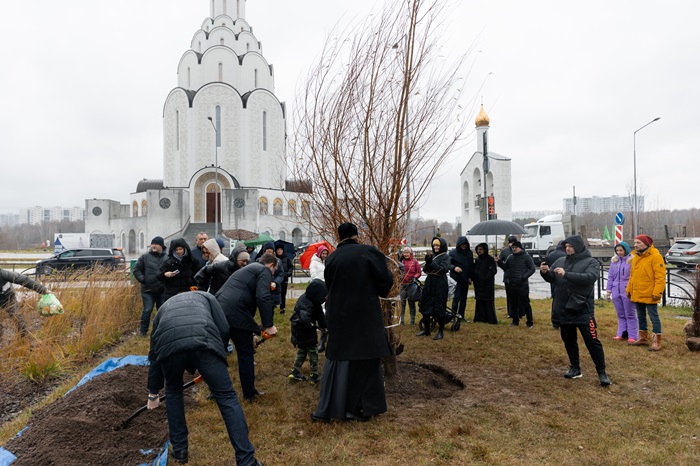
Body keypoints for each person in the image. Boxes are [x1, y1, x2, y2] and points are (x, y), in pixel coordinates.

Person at [146, 291, 263, 466]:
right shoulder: (207, 297)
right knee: (227, 397)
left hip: (170, 348)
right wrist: (217, 355)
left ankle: (180, 451)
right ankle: (246, 460)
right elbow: (223, 327)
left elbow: (154, 352)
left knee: (173, 391)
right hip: (204, 343)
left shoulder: (163, 308)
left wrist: (153, 393)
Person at [312, 222, 394, 422]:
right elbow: (385, 284)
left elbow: (330, 287)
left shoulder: (331, 258)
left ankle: (340, 406)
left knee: (343, 361)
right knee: (366, 360)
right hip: (365, 315)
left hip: (339, 316)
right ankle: (364, 407)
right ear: (356, 235)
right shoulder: (368, 252)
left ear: (339, 237)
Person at [540, 235, 611, 386]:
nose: (567, 249)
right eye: (566, 246)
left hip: (582, 309)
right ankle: (575, 368)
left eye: (570, 246)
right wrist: (546, 272)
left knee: (592, 341)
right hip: (564, 308)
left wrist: (567, 274)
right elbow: (553, 278)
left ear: (578, 246)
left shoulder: (591, 262)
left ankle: (602, 372)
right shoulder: (560, 261)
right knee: (569, 340)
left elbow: (590, 278)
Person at [215, 253, 279, 401]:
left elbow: (246, 303)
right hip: (234, 311)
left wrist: (251, 333)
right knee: (245, 354)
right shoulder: (264, 270)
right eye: (274, 270)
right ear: (271, 265)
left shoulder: (250, 269)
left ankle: (215, 391)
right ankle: (249, 394)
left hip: (219, 310)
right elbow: (263, 297)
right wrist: (268, 325)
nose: (273, 275)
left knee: (219, 353)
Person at [627, 234, 666, 351]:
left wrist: (657, 292)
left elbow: (660, 277)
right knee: (641, 316)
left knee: (654, 317)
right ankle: (643, 338)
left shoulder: (655, 256)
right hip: (637, 292)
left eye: (638, 243)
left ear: (646, 244)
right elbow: (632, 276)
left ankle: (656, 341)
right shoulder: (635, 257)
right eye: (635, 243)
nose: (636, 245)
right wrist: (629, 289)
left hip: (650, 293)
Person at [288, 279, 328, 384]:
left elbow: (320, 315)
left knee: (302, 351)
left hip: (306, 331)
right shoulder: (305, 304)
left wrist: (325, 326)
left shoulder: (314, 301)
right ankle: (314, 375)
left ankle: (295, 371)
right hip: (303, 332)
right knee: (313, 352)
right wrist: (314, 327)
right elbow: (304, 321)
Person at [416, 237, 450, 340]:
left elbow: (442, 270)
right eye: (434, 245)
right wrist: (428, 262)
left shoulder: (446, 257)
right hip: (429, 282)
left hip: (440, 284)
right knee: (426, 305)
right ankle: (427, 330)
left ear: (442, 246)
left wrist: (431, 263)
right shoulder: (432, 256)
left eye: (438, 245)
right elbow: (426, 270)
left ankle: (440, 332)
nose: (436, 247)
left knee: (439, 307)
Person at [133, 236, 167, 336]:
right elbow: (136, 270)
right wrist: (143, 280)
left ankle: (161, 331)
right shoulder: (145, 257)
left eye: (156, 244)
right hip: (147, 289)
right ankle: (143, 332)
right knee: (147, 310)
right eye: (152, 244)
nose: (153, 246)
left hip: (162, 289)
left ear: (161, 245)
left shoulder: (167, 257)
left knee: (162, 310)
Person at [1, 268, 49, 337]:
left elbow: (23, 279)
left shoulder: (3, 273)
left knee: (18, 320)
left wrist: (43, 290)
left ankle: (24, 338)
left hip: (7, 298)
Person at [605, 241, 638, 342]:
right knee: (620, 314)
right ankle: (621, 333)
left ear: (626, 250)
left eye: (621, 250)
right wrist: (608, 290)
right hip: (616, 290)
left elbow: (634, 276)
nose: (619, 252)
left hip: (627, 290)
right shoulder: (614, 261)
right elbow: (610, 277)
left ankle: (632, 335)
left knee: (630, 314)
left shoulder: (632, 261)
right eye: (617, 250)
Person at [501, 241, 535, 328]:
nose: (514, 249)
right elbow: (505, 267)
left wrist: (524, 277)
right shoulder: (511, 257)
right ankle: (515, 321)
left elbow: (532, 269)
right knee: (513, 304)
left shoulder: (526, 257)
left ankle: (530, 322)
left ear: (520, 248)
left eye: (516, 247)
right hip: (512, 284)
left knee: (525, 303)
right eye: (512, 248)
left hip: (522, 285)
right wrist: (498, 262)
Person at [471, 243, 498, 324]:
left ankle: (490, 318)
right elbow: (475, 270)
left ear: (485, 250)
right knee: (480, 301)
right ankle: (480, 318)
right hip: (478, 284)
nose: (479, 251)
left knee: (488, 301)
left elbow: (493, 270)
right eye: (478, 249)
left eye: (481, 249)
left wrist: (485, 278)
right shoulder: (477, 259)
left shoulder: (490, 259)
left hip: (487, 284)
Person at [449, 236, 474, 322]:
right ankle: (453, 316)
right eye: (462, 244)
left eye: (465, 244)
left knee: (464, 298)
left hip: (465, 279)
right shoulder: (452, 253)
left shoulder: (469, 253)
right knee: (457, 297)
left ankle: (461, 316)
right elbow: (448, 264)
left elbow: (471, 266)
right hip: (456, 279)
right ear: (459, 244)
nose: (464, 246)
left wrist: (471, 277)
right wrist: (454, 267)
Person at [544, 241, 566, 328]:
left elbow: (548, 266)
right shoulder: (565, 255)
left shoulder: (551, 254)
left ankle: (555, 322)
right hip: (562, 279)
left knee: (555, 299)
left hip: (553, 278)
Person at [256, 241, 284, 310]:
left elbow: (281, 274)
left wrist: (275, 282)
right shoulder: (259, 261)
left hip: (274, 286)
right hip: (263, 286)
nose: (269, 250)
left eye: (270, 248)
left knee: (272, 307)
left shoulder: (278, 261)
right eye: (267, 248)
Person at [497, 235, 519, 319]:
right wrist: (498, 261)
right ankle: (510, 312)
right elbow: (502, 264)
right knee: (509, 295)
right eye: (511, 242)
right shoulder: (504, 251)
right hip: (508, 276)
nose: (512, 245)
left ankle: (519, 312)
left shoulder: (520, 250)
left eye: (514, 242)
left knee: (518, 296)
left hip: (517, 276)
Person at [399, 246, 422, 325]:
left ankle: (412, 322)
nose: (406, 254)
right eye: (404, 252)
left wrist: (414, 277)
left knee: (411, 303)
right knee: (402, 304)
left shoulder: (415, 261)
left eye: (407, 252)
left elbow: (419, 272)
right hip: (403, 285)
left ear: (410, 253)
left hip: (412, 285)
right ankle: (401, 321)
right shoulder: (401, 261)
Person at [276, 245, 294, 315]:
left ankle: (282, 308)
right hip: (277, 279)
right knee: (276, 293)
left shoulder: (287, 258)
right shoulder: (275, 259)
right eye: (278, 250)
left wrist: (287, 274)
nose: (279, 251)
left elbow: (291, 267)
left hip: (284, 278)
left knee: (283, 294)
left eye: (280, 249)